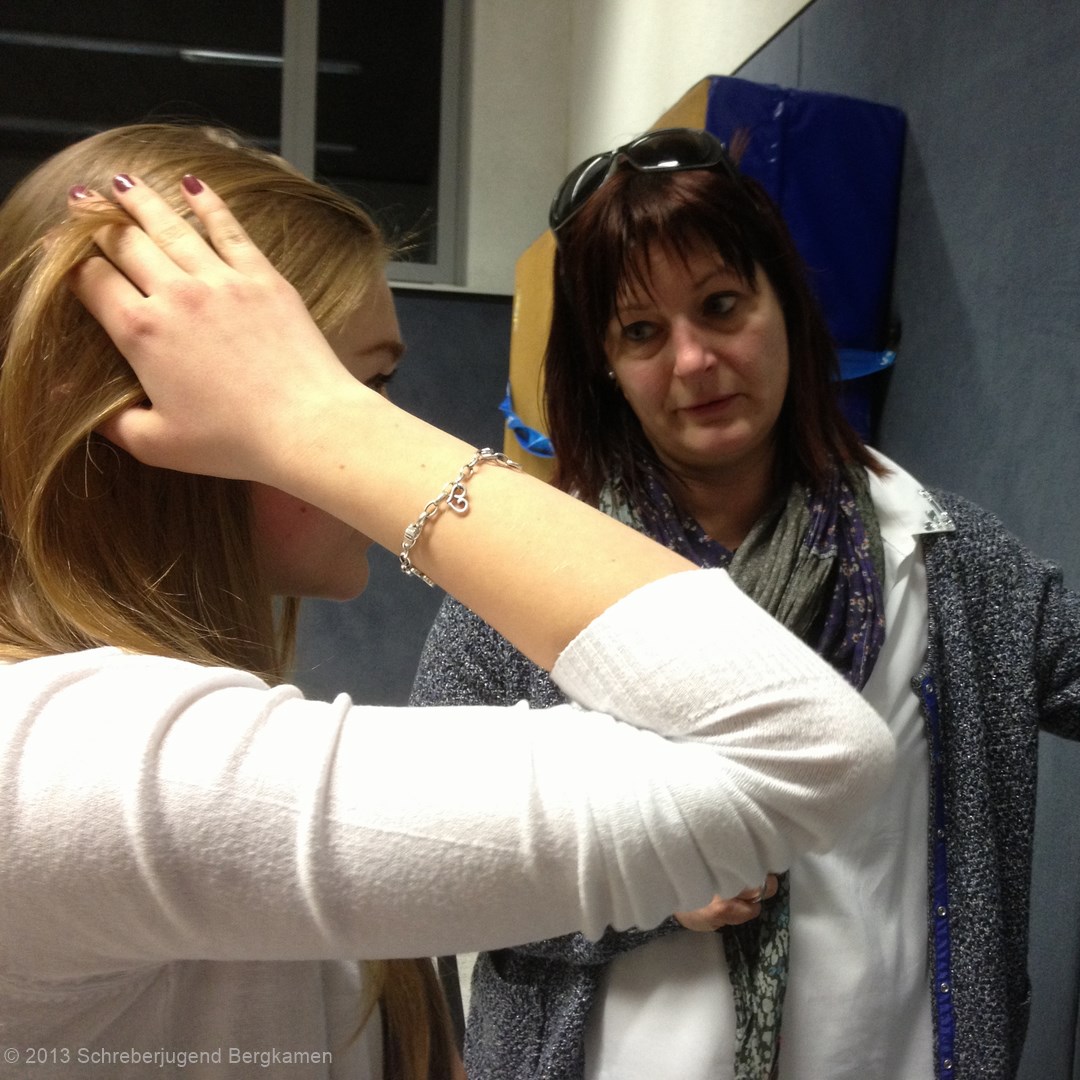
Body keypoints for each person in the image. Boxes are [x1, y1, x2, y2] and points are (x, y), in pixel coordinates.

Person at [409, 128, 1080, 1080]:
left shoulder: (940, 562)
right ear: (607, 365)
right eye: (643, 331)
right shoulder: (528, 579)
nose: (693, 360)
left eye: (721, 306)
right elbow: (434, 856)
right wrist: (638, 888)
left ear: (782, 306)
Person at [0, 124, 896, 1080]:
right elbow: (803, 752)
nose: (377, 424)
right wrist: (320, 420)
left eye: (370, 390)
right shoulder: (67, 767)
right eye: (344, 386)